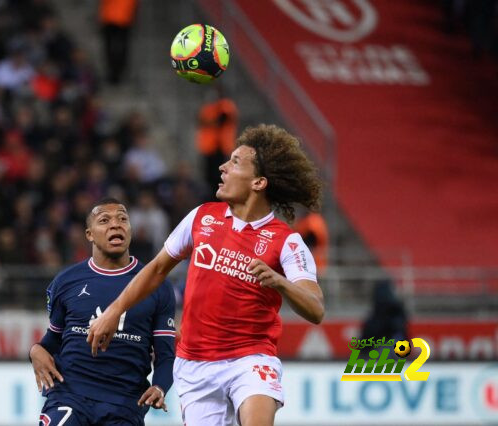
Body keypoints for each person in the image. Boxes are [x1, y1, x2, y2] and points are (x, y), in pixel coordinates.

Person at [88, 124, 325, 426]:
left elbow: (316, 309)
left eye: (236, 162)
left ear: (259, 182)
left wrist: (281, 282)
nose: (223, 167)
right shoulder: (203, 217)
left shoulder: (285, 241)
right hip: (195, 364)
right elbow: (158, 268)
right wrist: (114, 310)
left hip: (250, 359)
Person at [30, 198, 175, 426]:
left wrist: (160, 386)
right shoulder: (66, 282)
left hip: (124, 404)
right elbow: (53, 340)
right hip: (69, 396)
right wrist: (36, 351)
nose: (115, 225)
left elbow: (166, 354)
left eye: (123, 219)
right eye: (104, 220)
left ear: (130, 230)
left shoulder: (156, 284)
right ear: (89, 234)